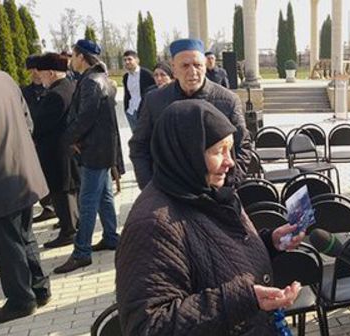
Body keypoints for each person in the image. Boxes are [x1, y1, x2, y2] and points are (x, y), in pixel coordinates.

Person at [116, 99, 303, 335]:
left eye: (230, 149)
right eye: (218, 152)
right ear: (186, 152)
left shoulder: (206, 190)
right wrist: (242, 299)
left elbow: (215, 254)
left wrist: (269, 243)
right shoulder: (152, 224)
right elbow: (149, 325)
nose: (230, 161)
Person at [129, 38, 251, 190]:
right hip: (170, 192)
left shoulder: (227, 100)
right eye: (185, 66)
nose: (192, 72)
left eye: (197, 65)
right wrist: (150, 188)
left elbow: (243, 145)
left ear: (205, 66)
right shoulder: (155, 100)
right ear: (173, 69)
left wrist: (228, 183)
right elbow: (139, 146)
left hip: (215, 192)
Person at [54, 39, 120, 274]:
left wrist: (68, 139)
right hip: (100, 149)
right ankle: (112, 237)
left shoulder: (92, 81)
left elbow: (85, 118)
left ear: (81, 57)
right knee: (104, 196)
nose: (71, 59)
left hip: (93, 151)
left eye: (73, 55)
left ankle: (82, 252)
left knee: (88, 200)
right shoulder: (99, 78)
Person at [0, 69, 51, 324]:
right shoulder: (3, 78)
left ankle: (21, 300)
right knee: (25, 235)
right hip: (24, 171)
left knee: (8, 243)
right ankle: (39, 288)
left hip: (0, 179)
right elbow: (28, 123)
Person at [32, 53, 80, 249]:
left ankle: (68, 231)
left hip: (56, 151)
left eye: (41, 74)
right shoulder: (69, 86)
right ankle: (72, 224)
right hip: (66, 150)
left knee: (61, 191)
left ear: (50, 73)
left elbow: (41, 125)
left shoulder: (55, 95)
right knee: (68, 189)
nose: (39, 78)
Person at [23, 55, 57, 223]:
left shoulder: (51, 89)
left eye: (38, 69)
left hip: (50, 138)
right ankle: (47, 205)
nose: (35, 73)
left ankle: (57, 206)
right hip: (32, 139)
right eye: (32, 70)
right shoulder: (24, 91)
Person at [122, 50, 155, 131]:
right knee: (135, 139)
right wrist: (126, 109)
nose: (127, 62)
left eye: (129, 59)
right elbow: (127, 94)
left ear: (137, 60)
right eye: (125, 60)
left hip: (143, 112)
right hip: (130, 112)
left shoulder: (147, 74)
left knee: (146, 139)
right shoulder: (126, 77)